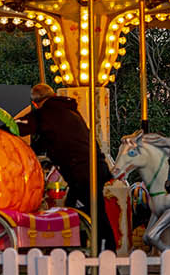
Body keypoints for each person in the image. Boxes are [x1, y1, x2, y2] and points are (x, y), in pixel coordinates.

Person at [17, 84, 115, 249]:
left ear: (35, 103)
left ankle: (99, 253)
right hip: (95, 167)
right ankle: (90, 251)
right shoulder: (70, 111)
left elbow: (19, 127)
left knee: (89, 214)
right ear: (53, 94)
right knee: (85, 211)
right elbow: (45, 141)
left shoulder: (46, 113)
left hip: (81, 172)